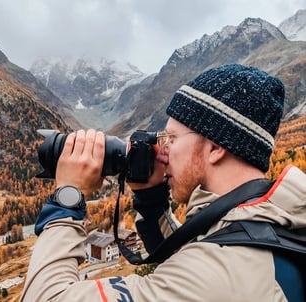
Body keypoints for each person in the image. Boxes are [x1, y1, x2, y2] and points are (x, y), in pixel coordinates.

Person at [21, 64, 306, 301]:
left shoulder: (218, 276)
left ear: (216, 147)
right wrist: (152, 201)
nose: (163, 151)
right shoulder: (268, 225)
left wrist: (69, 195)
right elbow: (195, 251)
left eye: (172, 138)